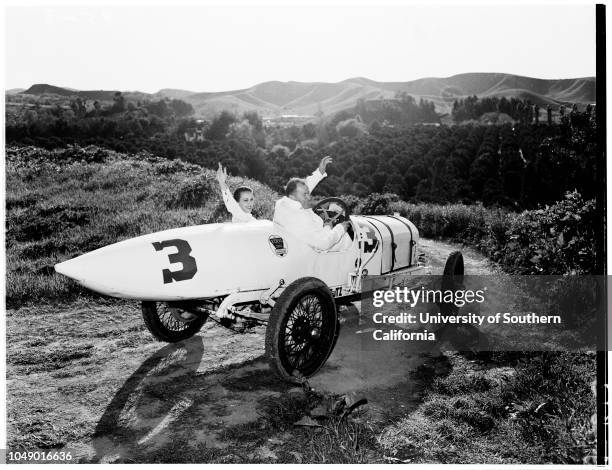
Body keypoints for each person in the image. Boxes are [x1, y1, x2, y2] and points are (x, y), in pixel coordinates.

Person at [273, 156, 352, 251]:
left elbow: (304, 187)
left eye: (308, 193)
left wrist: (320, 172)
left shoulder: (283, 203)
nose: (309, 197)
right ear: (292, 197)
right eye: (305, 195)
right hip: (337, 248)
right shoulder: (299, 219)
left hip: (316, 239)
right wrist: (340, 228)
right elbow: (323, 244)